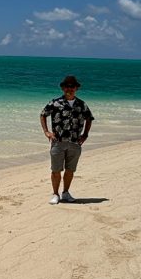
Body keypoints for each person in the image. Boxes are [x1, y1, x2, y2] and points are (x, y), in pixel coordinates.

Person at [39, 75, 94, 205]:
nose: (70, 89)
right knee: (56, 170)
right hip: (58, 142)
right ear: (63, 88)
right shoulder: (55, 103)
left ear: (76, 88)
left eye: (72, 87)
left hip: (75, 142)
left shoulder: (81, 104)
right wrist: (46, 131)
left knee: (70, 170)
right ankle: (55, 194)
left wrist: (85, 134)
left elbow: (89, 118)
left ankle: (66, 192)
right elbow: (43, 114)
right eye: (67, 87)